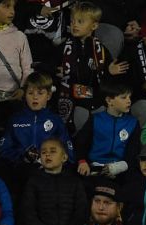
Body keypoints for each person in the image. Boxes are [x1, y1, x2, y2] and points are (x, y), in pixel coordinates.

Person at [20, 138, 88, 225]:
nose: (47, 155)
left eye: (52, 151)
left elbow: (81, 211)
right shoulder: (33, 181)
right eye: (43, 152)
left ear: (64, 157)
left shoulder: (74, 181)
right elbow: (27, 212)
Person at [57, 2, 125, 132]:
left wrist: (109, 71)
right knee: (80, 115)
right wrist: (57, 71)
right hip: (72, 99)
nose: (74, 25)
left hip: (96, 97)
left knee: (103, 117)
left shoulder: (101, 49)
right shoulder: (64, 47)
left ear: (94, 25)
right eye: (72, 21)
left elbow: (106, 79)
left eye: (80, 21)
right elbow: (52, 67)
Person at [0, 72, 75, 177]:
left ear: (48, 95)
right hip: (21, 171)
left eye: (40, 93)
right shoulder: (15, 120)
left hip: (50, 172)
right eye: (30, 93)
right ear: (25, 95)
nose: (35, 97)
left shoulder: (56, 120)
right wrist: (23, 157)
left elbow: (67, 151)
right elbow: (3, 151)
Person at [73, 81, 140, 180]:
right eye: (123, 97)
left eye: (129, 97)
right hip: (94, 167)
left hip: (120, 169)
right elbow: (80, 143)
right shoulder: (95, 119)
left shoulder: (132, 122)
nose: (129, 101)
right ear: (109, 101)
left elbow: (133, 150)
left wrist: (119, 167)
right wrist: (82, 161)